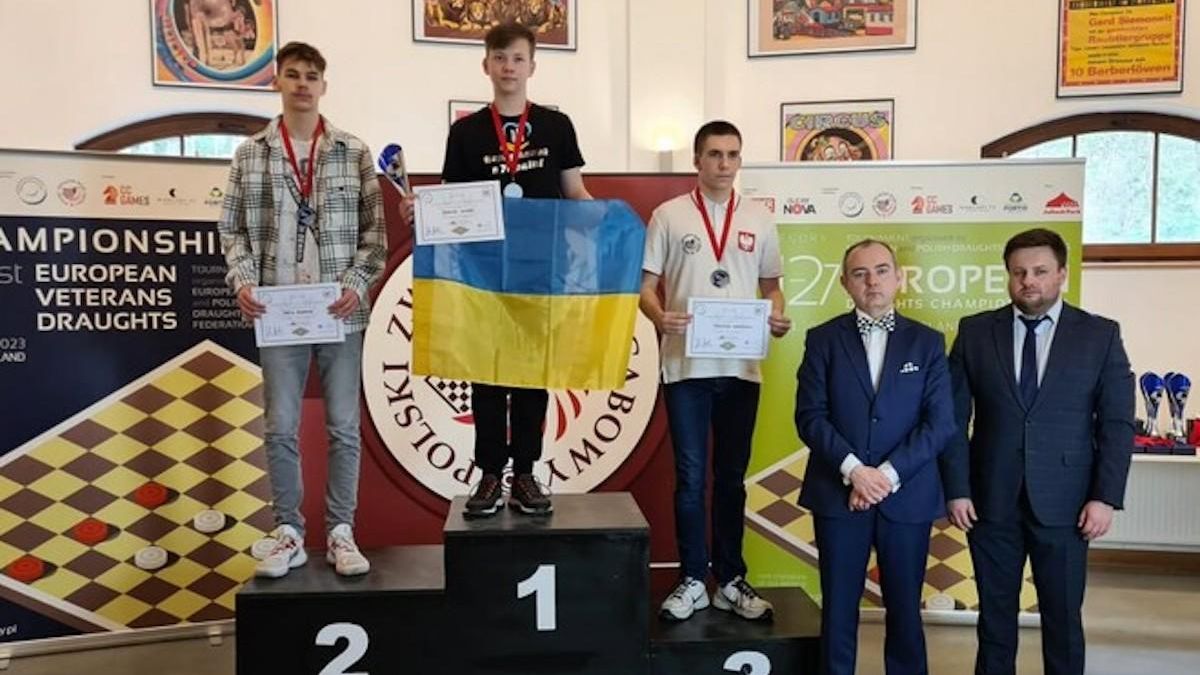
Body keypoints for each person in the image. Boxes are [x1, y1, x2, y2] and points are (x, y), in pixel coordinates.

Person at [218, 41, 402, 578]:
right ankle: (289, 533)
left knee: (344, 425)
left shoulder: (353, 151)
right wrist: (243, 281)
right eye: (293, 74)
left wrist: (357, 285)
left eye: (311, 76)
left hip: (339, 309)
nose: (302, 84)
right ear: (278, 81)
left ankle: (342, 531)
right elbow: (232, 230)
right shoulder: (250, 154)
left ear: (324, 85)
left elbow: (375, 235)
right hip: (277, 308)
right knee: (280, 425)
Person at [940, 228, 1134, 675]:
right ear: (1008, 276)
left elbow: (1117, 423)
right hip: (989, 502)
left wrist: (1105, 497)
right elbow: (951, 420)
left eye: (1040, 271)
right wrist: (957, 489)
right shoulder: (975, 332)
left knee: (1063, 620)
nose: (1029, 281)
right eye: (1019, 272)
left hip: (1069, 505)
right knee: (995, 620)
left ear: (1062, 274)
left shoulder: (1100, 335)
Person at [641, 120, 791, 621]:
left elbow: (772, 286)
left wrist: (777, 314)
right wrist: (659, 316)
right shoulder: (668, 215)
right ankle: (692, 579)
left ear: (740, 161)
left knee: (731, 477)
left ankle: (730, 579)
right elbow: (646, 287)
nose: (724, 164)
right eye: (714, 154)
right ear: (697, 160)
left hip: (741, 367)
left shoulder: (760, 218)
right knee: (690, 477)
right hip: (685, 365)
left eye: (732, 155)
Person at [441, 22, 591, 517]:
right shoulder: (465, 132)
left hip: (539, 273)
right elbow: (453, 202)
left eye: (518, 58)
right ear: (486, 65)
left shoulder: (556, 125)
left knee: (531, 376)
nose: (509, 67)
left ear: (532, 66)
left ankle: (525, 472)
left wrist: (608, 220)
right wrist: (422, 212)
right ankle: (488, 474)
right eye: (500, 58)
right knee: (485, 376)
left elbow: (574, 192)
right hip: (483, 275)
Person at [795, 239, 954, 674]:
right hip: (837, 494)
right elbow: (810, 417)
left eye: (882, 270)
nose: (872, 281)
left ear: (899, 278)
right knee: (838, 609)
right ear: (844, 283)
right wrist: (855, 472)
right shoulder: (822, 339)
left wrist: (882, 476)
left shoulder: (928, 342)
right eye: (860, 273)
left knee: (905, 612)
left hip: (907, 496)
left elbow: (940, 423)